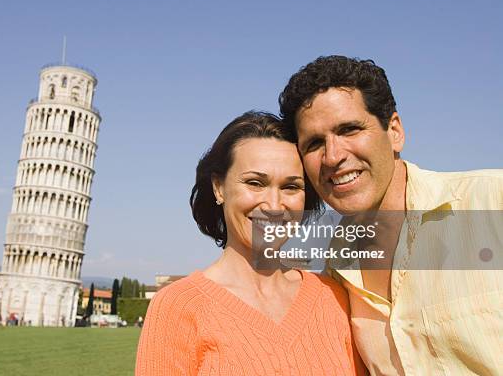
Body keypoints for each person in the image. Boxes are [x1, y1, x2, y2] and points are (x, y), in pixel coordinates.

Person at [279, 55, 503, 375]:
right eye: (315, 143)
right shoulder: (337, 265)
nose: (333, 156)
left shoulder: (492, 201)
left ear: (395, 131)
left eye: (350, 129)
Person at [136, 111, 365, 375]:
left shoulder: (334, 297)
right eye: (255, 183)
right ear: (219, 187)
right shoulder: (178, 307)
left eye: (291, 187)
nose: (274, 205)